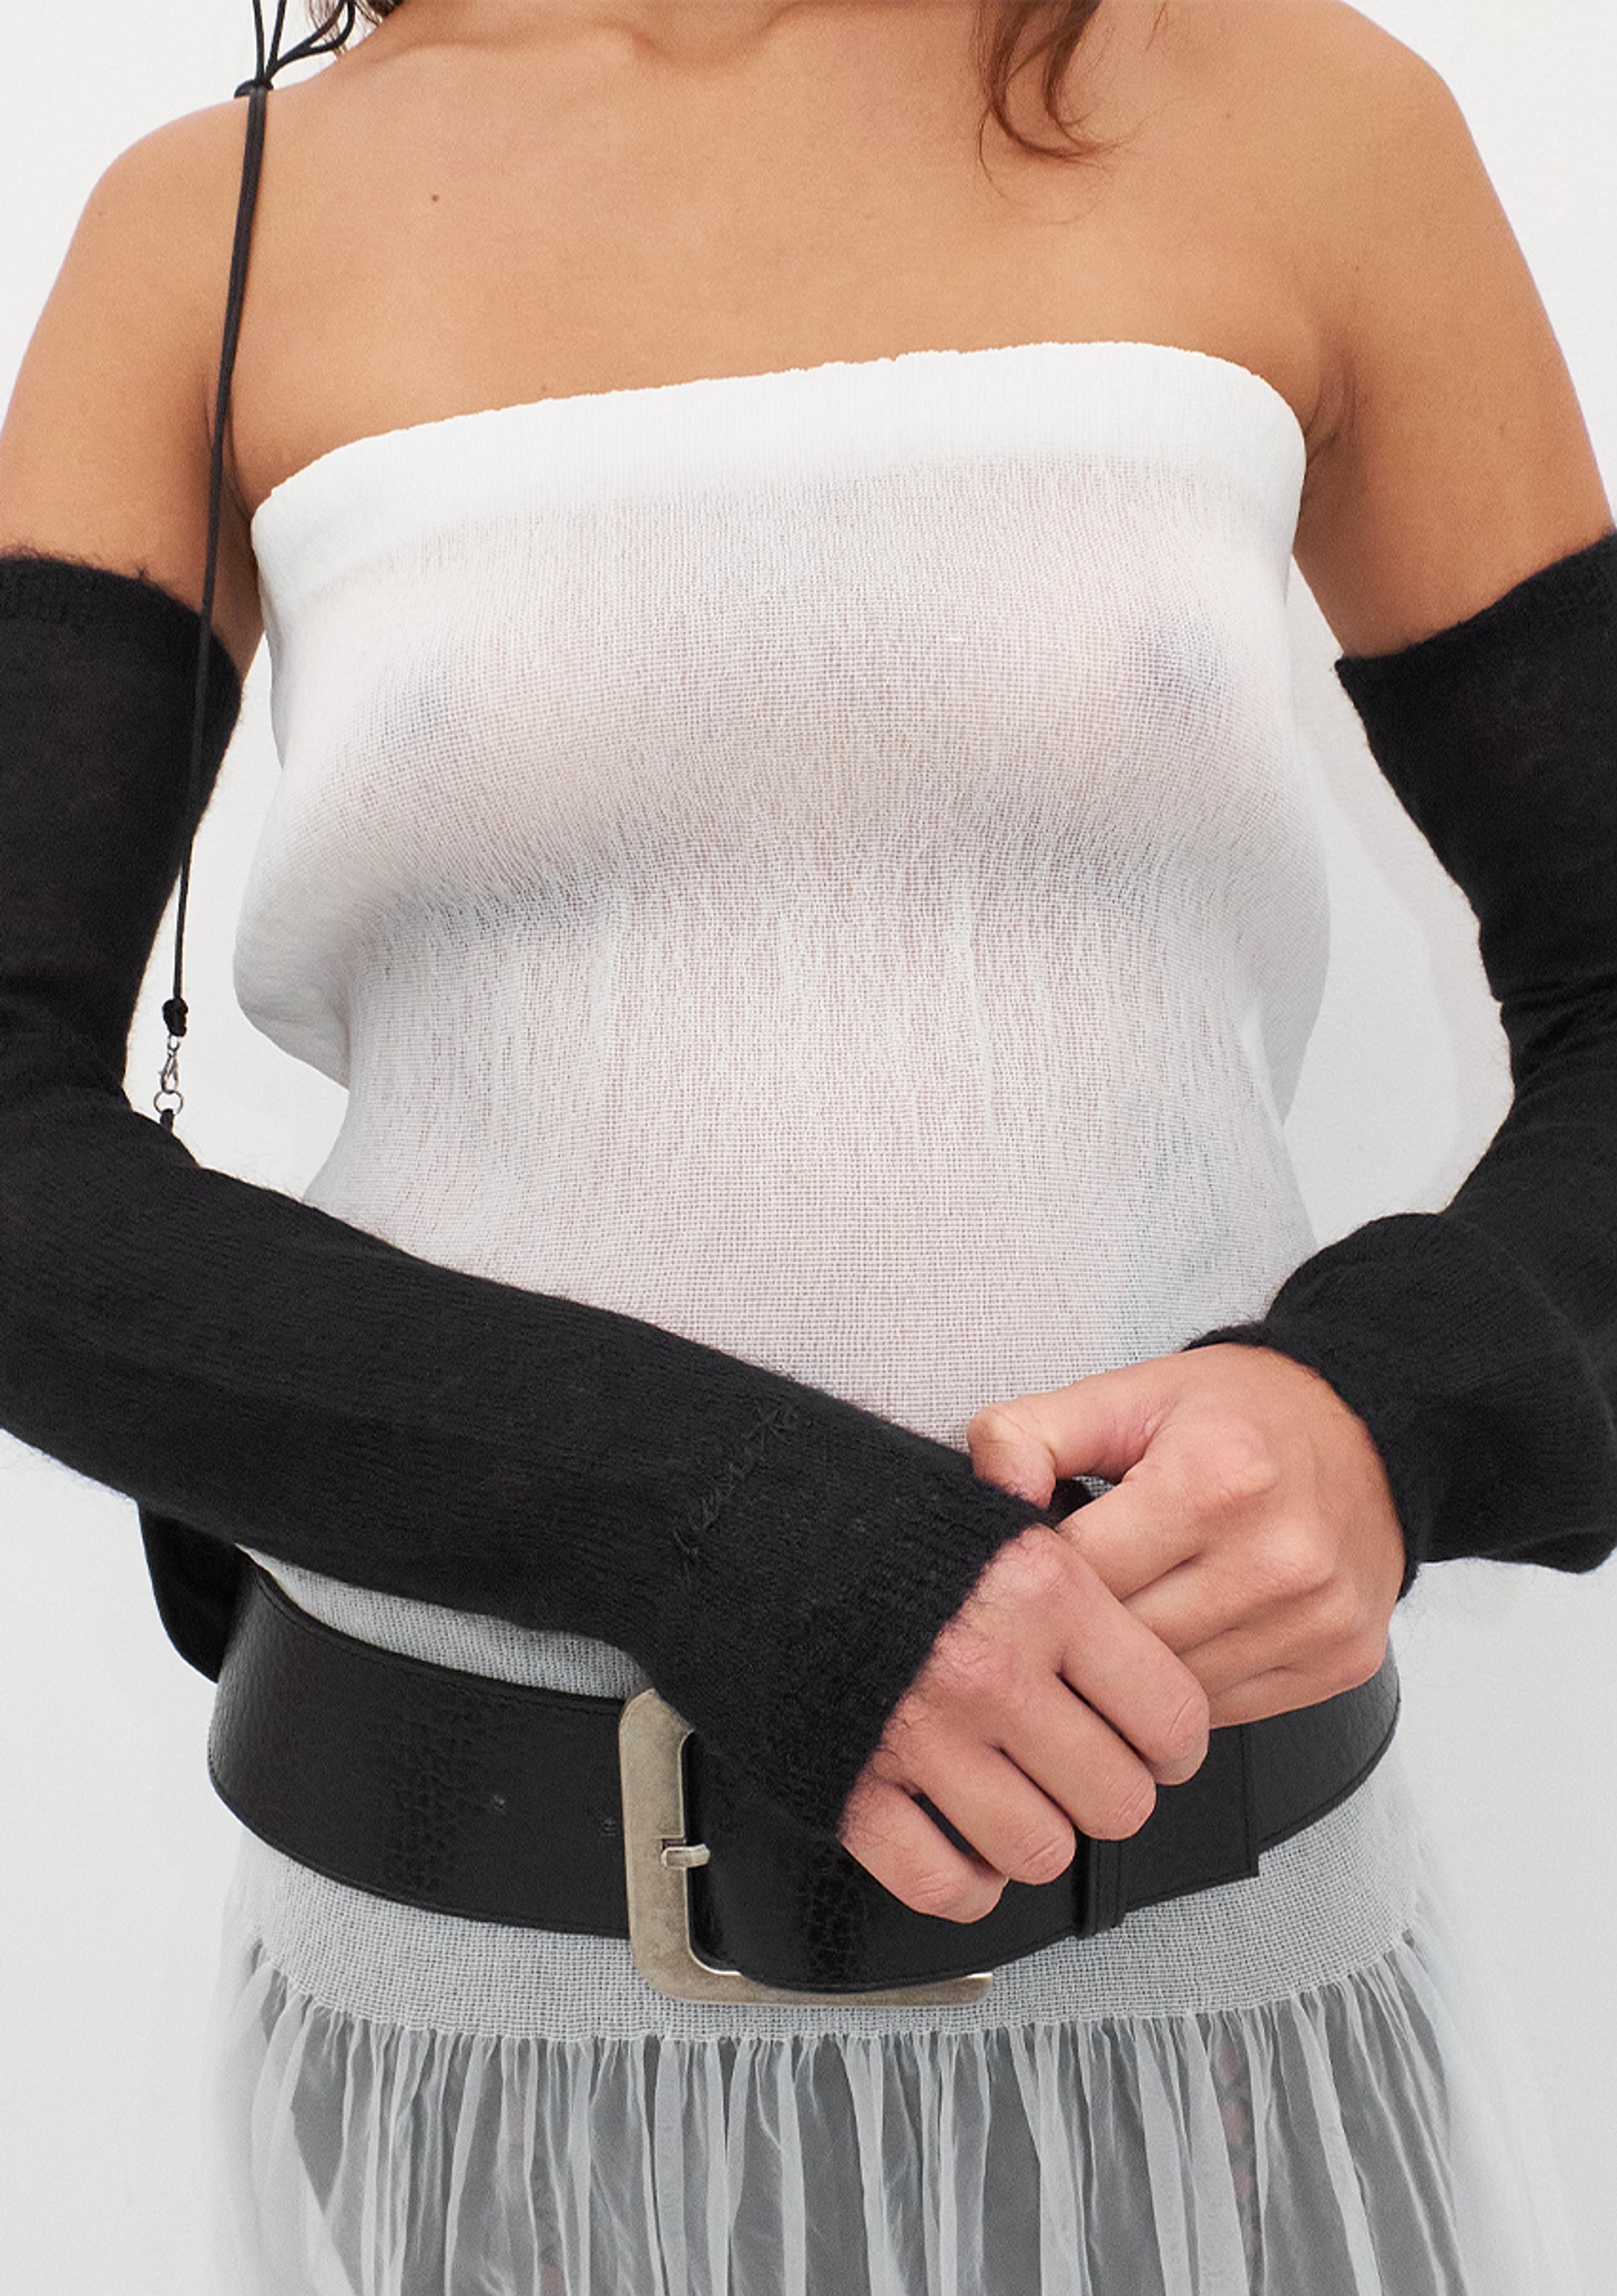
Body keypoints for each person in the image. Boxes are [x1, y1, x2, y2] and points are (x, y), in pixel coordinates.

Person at [0, 1, 1612, 2288]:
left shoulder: (1303, 116)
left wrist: (1388, 1410)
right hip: (484, 2011)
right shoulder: (212, 222)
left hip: (1202, 1976)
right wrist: (726, 1527)